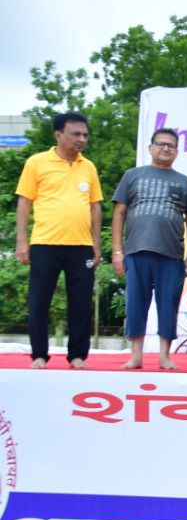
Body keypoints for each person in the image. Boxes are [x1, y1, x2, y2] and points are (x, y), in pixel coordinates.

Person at [16, 112, 101, 370]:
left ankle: (77, 355)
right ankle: (39, 355)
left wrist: (96, 244)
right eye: (76, 134)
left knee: (81, 303)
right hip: (44, 243)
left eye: (85, 135)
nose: (81, 139)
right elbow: (24, 202)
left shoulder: (88, 166)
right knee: (39, 301)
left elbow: (95, 206)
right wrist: (22, 241)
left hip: (81, 246)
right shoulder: (37, 163)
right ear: (58, 135)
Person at [110, 127, 187, 370]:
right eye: (160, 144)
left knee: (168, 303)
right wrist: (117, 251)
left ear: (177, 151)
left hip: (171, 254)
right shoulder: (132, 175)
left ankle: (164, 356)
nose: (165, 148)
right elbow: (119, 213)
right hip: (136, 250)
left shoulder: (185, 182)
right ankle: (136, 355)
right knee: (135, 303)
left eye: (170, 145)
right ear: (151, 148)